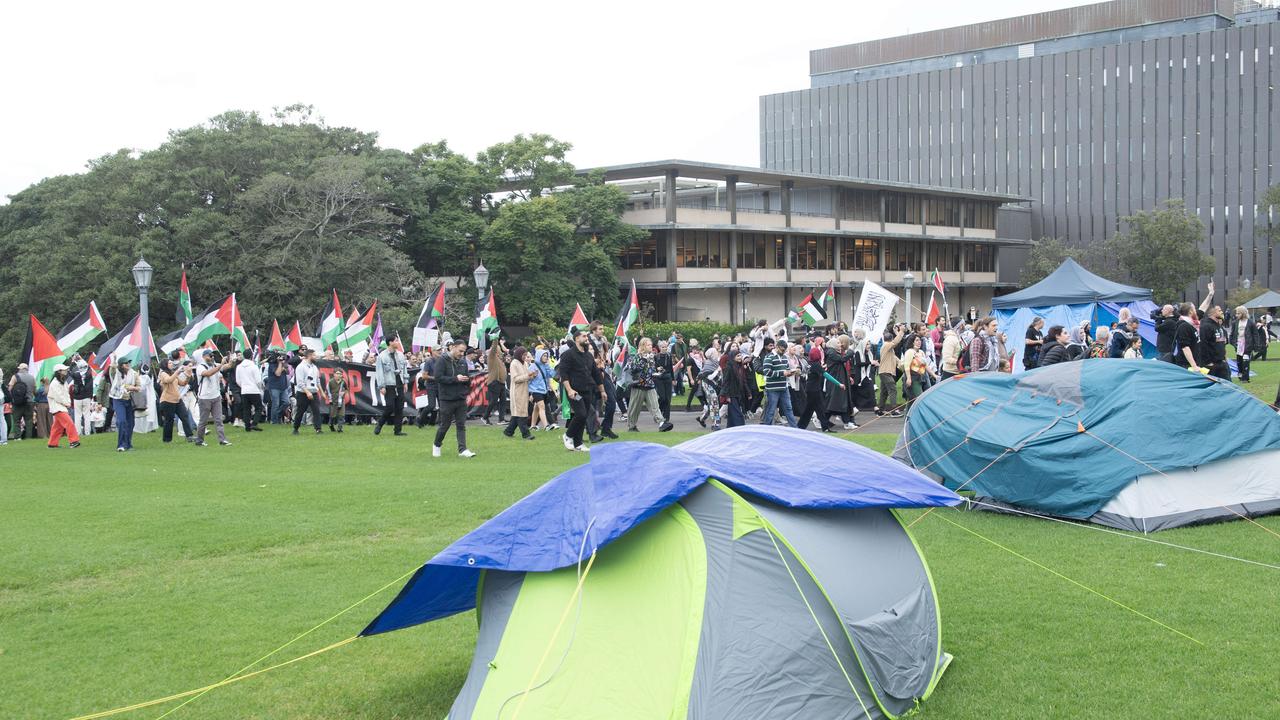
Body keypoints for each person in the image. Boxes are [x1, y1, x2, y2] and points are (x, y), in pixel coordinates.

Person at [432, 339, 476, 457]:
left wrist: (467, 381)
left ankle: (463, 450)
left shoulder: (462, 362)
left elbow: (466, 376)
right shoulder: (442, 361)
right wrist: (455, 379)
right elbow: (438, 378)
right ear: (453, 347)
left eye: (463, 351)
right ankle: (436, 445)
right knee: (445, 425)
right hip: (446, 398)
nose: (462, 354)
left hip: (461, 398)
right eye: (460, 351)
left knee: (461, 425)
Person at [557, 328, 596, 452]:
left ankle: (578, 443)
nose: (587, 338)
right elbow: (563, 373)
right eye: (584, 336)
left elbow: (595, 373)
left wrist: (602, 390)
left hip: (587, 390)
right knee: (581, 414)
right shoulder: (568, 354)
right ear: (576, 338)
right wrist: (569, 390)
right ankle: (568, 436)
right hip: (574, 391)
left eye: (587, 336)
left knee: (584, 416)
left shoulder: (588, 355)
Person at [625, 338, 672, 432]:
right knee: (634, 408)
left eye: (651, 345)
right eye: (648, 345)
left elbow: (651, 370)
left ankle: (661, 423)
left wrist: (658, 372)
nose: (651, 346)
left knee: (655, 405)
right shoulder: (635, 356)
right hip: (638, 385)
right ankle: (631, 426)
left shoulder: (651, 356)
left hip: (649, 384)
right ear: (642, 346)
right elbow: (633, 368)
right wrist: (643, 360)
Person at [193, 349, 232, 447]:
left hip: (216, 396)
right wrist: (220, 365)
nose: (211, 358)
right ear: (203, 357)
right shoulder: (200, 367)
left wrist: (232, 360)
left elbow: (227, 367)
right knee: (203, 421)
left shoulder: (215, 365)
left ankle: (222, 440)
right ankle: (199, 440)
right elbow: (208, 373)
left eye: (212, 356)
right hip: (204, 397)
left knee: (219, 420)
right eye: (209, 356)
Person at [374, 337, 410, 436]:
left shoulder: (401, 355)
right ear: (390, 342)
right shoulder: (382, 356)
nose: (397, 342)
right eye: (395, 340)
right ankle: (380, 424)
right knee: (390, 407)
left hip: (400, 384)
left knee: (400, 407)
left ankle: (398, 430)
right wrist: (381, 386)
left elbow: (404, 369)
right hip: (389, 384)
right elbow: (379, 372)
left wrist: (406, 382)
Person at [760, 339, 799, 428]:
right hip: (772, 389)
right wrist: (782, 373)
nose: (783, 352)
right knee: (771, 410)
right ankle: (767, 429)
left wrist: (792, 372)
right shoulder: (769, 357)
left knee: (788, 409)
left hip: (783, 387)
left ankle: (795, 428)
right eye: (782, 350)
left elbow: (787, 369)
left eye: (784, 350)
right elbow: (766, 372)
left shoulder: (785, 357)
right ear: (777, 347)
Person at [503, 345, 537, 440]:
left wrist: (532, 376)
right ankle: (526, 434)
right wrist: (528, 376)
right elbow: (515, 379)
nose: (525, 357)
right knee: (521, 413)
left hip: (524, 391)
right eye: (523, 355)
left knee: (517, 414)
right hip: (517, 392)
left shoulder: (525, 363)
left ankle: (508, 431)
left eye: (526, 355)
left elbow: (526, 377)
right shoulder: (514, 363)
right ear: (519, 354)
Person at [107, 357, 141, 451]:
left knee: (131, 422)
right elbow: (112, 368)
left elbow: (138, 387)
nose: (128, 365)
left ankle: (128, 444)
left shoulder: (133, 373)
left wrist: (131, 388)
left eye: (128, 363)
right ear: (121, 365)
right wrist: (114, 359)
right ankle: (121, 444)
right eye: (125, 364)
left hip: (129, 399)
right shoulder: (116, 373)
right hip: (118, 399)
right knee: (121, 421)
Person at [158, 357, 195, 443]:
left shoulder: (172, 373)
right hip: (167, 400)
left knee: (184, 416)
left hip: (177, 399)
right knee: (169, 420)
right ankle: (167, 439)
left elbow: (182, 383)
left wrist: (188, 376)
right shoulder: (163, 374)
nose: (172, 364)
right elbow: (168, 380)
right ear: (165, 365)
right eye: (170, 363)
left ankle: (189, 436)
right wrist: (177, 372)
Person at [46, 364, 80, 449]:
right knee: (69, 423)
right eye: (63, 370)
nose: (66, 371)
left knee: (57, 427)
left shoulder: (63, 381)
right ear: (59, 372)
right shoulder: (54, 383)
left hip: (62, 406)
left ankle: (52, 443)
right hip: (57, 407)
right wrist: (67, 403)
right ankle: (73, 441)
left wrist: (67, 402)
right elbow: (58, 397)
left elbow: (66, 394)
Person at [292, 348, 326, 435]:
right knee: (300, 411)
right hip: (302, 393)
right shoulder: (301, 367)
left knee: (316, 410)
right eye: (314, 355)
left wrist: (322, 392)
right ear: (309, 356)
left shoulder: (314, 367)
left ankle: (318, 429)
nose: (316, 357)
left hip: (314, 392)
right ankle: (296, 428)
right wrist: (307, 392)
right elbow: (300, 382)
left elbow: (317, 381)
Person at [1228, 307, 1265, 383]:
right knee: (1239, 361)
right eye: (1236, 313)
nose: (1236, 315)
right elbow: (1232, 333)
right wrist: (1232, 342)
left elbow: (1255, 335)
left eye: (1238, 313)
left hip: (1247, 345)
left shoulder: (1251, 323)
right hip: (1238, 345)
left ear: (1243, 313)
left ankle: (1245, 378)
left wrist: (1256, 346)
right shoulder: (1235, 322)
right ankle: (1240, 375)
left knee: (1246, 361)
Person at [876, 325, 906, 417]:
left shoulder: (889, 350)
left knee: (884, 392)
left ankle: (880, 410)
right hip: (886, 372)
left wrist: (902, 364)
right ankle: (894, 410)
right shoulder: (887, 345)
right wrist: (901, 331)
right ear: (891, 339)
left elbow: (896, 359)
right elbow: (896, 342)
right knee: (893, 389)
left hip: (884, 371)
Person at [901, 336, 937, 408]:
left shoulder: (921, 352)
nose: (919, 342)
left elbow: (925, 366)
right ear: (912, 342)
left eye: (920, 340)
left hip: (922, 377)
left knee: (914, 401)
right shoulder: (910, 352)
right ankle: (909, 418)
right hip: (913, 378)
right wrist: (909, 378)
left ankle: (909, 418)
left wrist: (934, 375)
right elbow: (907, 366)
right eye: (917, 340)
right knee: (917, 399)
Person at [1198, 305, 1230, 380]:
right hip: (1211, 364)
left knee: (1227, 385)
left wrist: (1224, 358)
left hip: (1221, 362)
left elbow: (1222, 344)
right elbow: (1203, 345)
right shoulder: (1206, 326)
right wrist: (1208, 362)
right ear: (1212, 313)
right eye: (1219, 310)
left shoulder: (1219, 326)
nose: (1222, 312)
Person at [235, 354, 264, 432]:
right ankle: (254, 423)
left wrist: (243, 386)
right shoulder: (254, 366)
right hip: (254, 390)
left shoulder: (239, 367)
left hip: (244, 390)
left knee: (246, 409)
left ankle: (247, 426)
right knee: (258, 408)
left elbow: (238, 380)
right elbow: (258, 380)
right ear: (251, 357)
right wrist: (260, 388)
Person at [482, 340, 508, 425]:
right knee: (493, 401)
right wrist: (495, 339)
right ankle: (485, 417)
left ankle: (501, 419)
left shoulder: (498, 359)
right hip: (494, 382)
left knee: (503, 401)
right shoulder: (491, 356)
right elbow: (493, 348)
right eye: (499, 349)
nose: (500, 350)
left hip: (501, 382)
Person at [529, 348, 555, 431]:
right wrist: (530, 393)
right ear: (539, 356)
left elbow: (552, 375)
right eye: (544, 356)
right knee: (542, 407)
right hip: (535, 391)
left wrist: (548, 366)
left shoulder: (545, 366)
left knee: (536, 408)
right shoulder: (532, 366)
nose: (546, 357)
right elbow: (528, 380)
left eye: (547, 356)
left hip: (543, 390)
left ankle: (533, 425)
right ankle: (546, 426)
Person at [1172, 302, 1203, 372]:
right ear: (1190, 311)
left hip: (1194, 364)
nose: (1196, 311)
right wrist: (1194, 366)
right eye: (1194, 309)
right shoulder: (1184, 326)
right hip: (1186, 366)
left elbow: (1202, 310)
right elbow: (1185, 347)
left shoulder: (1192, 324)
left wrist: (1210, 295)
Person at [8, 362, 36, 440]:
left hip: (17, 403)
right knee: (29, 421)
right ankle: (28, 437)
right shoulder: (32, 377)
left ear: (21, 369)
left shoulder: (15, 376)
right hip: (29, 402)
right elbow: (34, 390)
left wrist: (12, 398)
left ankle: (18, 436)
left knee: (17, 420)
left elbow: (10, 388)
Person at [266, 353, 291, 424]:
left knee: (286, 402)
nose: (282, 359)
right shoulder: (272, 365)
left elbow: (288, 372)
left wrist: (284, 365)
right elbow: (278, 373)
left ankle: (278, 415)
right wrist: (280, 364)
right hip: (274, 387)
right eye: (280, 357)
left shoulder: (283, 364)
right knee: (275, 404)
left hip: (283, 386)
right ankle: (274, 421)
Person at [327, 364, 348, 432]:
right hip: (333, 400)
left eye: (340, 374)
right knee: (333, 415)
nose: (339, 375)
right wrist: (329, 398)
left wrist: (344, 392)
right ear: (334, 374)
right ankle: (331, 424)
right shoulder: (330, 382)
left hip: (341, 400)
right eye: (337, 373)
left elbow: (347, 389)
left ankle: (340, 428)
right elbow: (327, 391)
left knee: (341, 414)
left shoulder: (343, 382)